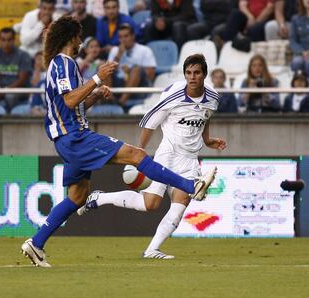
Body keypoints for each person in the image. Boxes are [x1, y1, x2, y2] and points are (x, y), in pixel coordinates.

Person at [20, 16, 217, 267]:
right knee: (136, 155)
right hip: (75, 137)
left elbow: (71, 106)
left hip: (70, 138)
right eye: (79, 36)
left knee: (78, 197)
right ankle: (191, 185)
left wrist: (94, 97)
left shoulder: (64, 65)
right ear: (71, 37)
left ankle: (36, 244)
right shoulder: (63, 62)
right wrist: (97, 79)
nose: (81, 41)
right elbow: (69, 101)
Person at [76, 54, 226, 259]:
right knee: (151, 204)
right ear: (184, 74)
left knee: (180, 206)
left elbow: (205, 117)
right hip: (169, 153)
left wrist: (207, 141)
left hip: (190, 158)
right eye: (189, 73)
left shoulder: (213, 97)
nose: (192, 77)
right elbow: (149, 122)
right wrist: (139, 153)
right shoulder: (173, 94)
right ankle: (100, 198)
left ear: (204, 74)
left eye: (197, 73)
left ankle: (152, 250)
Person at [107, 23, 156, 109]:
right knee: (104, 69)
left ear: (133, 36)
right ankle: (110, 101)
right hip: (118, 84)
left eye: (126, 36)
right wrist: (118, 55)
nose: (123, 40)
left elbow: (151, 75)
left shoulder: (145, 50)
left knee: (136, 69)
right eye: (120, 37)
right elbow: (108, 73)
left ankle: (121, 102)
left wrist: (131, 72)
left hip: (138, 86)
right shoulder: (115, 51)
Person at [289, 0, 309, 85]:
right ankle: (297, 89)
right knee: (296, 62)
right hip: (301, 53)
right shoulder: (295, 19)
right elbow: (293, 40)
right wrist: (302, 52)